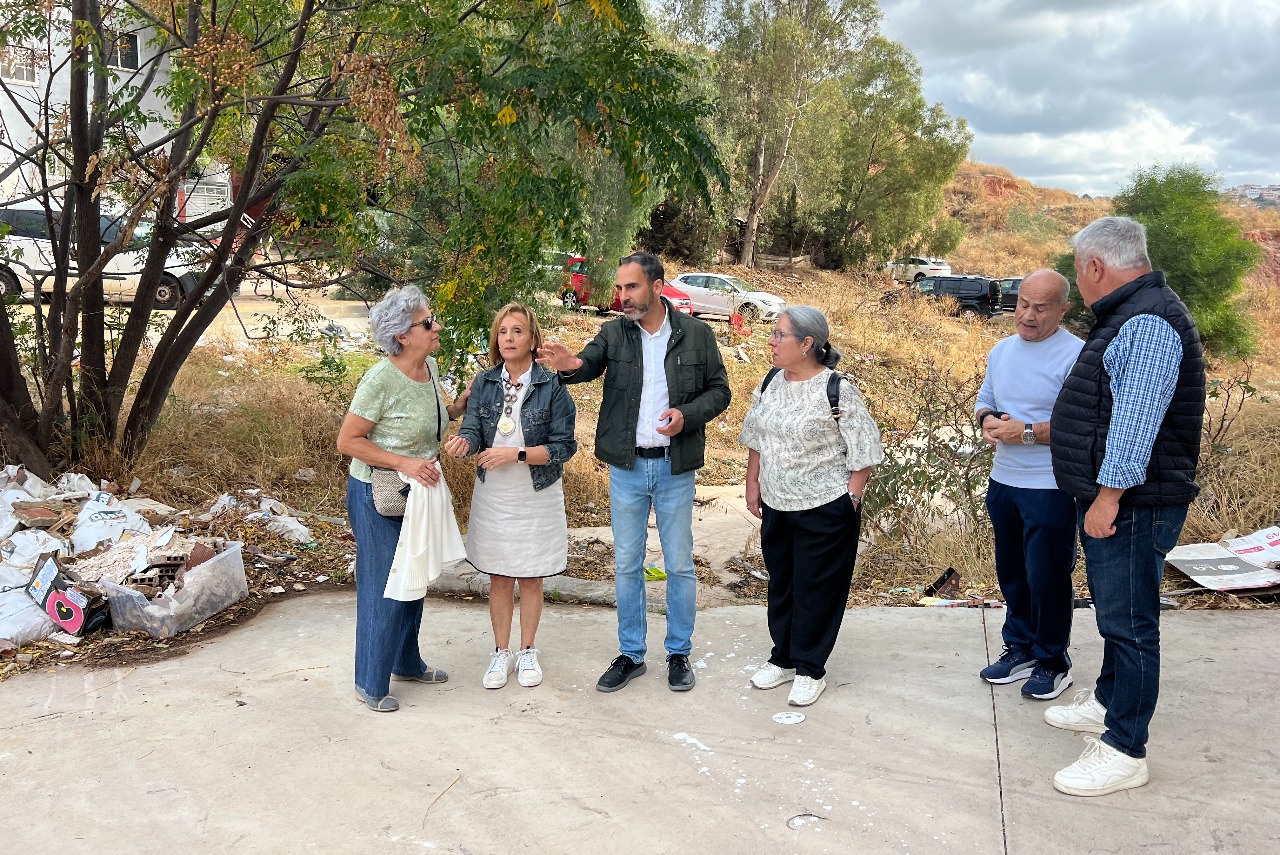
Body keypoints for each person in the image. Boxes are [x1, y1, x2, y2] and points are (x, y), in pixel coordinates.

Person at [1046, 216, 1205, 797]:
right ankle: (1109, 702)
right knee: (1119, 615)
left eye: (1077, 271)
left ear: (1094, 267)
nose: (1078, 283)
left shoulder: (1146, 322)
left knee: (1130, 624)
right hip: (1124, 500)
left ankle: (1123, 748)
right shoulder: (1136, 313)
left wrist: (1108, 496)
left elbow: (1136, 424)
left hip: (1132, 503)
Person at [537, 252, 730, 693]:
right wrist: (569, 365)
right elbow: (587, 364)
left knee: (679, 566)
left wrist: (686, 414)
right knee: (627, 566)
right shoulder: (613, 333)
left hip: (674, 468)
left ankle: (679, 653)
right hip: (627, 468)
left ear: (657, 286)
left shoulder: (697, 335)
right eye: (620, 288)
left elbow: (720, 391)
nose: (622, 296)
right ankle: (631, 654)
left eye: (632, 287)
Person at [739, 307, 884, 707]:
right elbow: (756, 434)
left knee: (817, 587)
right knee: (782, 581)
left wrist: (851, 497)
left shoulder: (836, 388)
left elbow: (865, 450)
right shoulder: (770, 381)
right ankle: (783, 657)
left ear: (806, 344)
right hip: (777, 504)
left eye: (778, 335)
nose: (770, 341)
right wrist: (753, 481)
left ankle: (809, 668)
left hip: (825, 506)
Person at [336, 286, 470, 712]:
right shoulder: (380, 378)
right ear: (401, 335)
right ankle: (370, 681)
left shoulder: (428, 368)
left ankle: (406, 663)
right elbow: (348, 440)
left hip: (415, 493)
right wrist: (404, 463)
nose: (437, 327)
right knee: (384, 588)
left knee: (414, 579)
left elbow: (427, 417)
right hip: (378, 493)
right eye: (427, 322)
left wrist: (456, 409)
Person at [442, 303, 577, 690]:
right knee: (500, 576)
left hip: (537, 493)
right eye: (503, 332)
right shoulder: (484, 383)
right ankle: (500, 652)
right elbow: (472, 430)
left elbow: (564, 447)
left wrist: (514, 454)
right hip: (495, 494)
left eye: (517, 331)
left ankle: (528, 650)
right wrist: (463, 444)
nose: (508, 339)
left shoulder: (552, 387)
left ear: (533, 339)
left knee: (531, 576)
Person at [974, 270, 1084, 701]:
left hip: (1051, 485)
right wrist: (986, 419)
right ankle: (1019, 647)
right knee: (1013, 574)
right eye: (1023, 303)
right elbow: (986, 397)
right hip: (1003, 481)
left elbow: (1081, 424)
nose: (1028, 314)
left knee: (1048, 577)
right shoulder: (1001, 351)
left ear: (1063, 310)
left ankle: (1053, 661)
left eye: (1041, 307)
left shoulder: (1077, 355)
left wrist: (1025, 433)